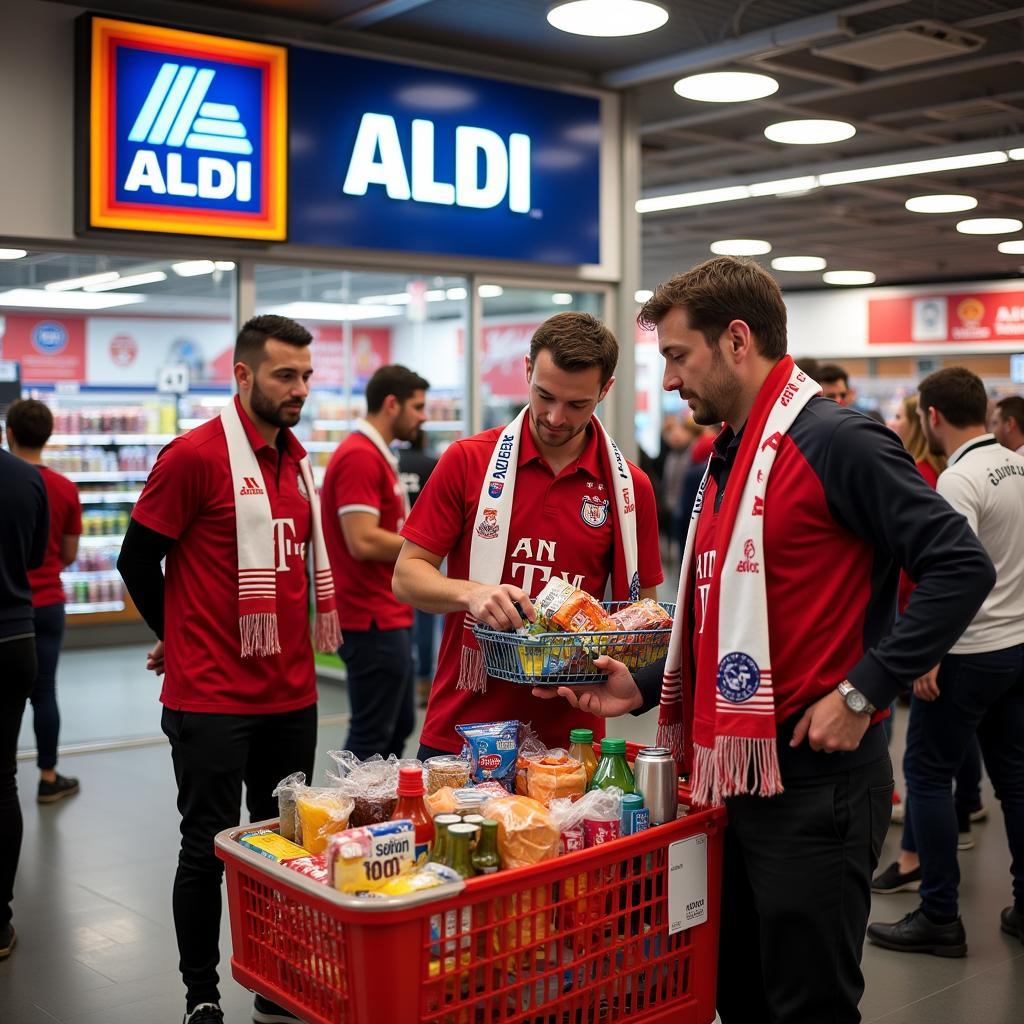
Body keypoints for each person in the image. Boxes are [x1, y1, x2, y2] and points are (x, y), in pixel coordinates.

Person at [535, 257, 994, 1023]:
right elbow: (719, 612)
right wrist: (643, 687)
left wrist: (864, 689)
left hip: (815, 789)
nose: (672, 380)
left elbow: (958, 564)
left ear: (737, 340)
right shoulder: (730, 455)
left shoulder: (837, 441)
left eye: (679, 356)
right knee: (738, 996)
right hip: (730, 779)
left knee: (806, 1006)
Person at [117, 314, 340, 1024]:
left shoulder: (299, 461)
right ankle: (202, 993)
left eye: (306, 375)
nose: (299, 388)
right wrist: (176, 635)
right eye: (284, 375)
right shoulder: (194, 457)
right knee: (206, 846)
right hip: (212, 695)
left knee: (279, 843)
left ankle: (274, 979)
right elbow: (135, 559)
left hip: (291, 693)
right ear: (242, 375)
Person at [393, 311, 663, 756]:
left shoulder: (630, 487)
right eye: (545, 396)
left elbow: (643, 611)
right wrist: (471, 594)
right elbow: (407, 575)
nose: (556, 417)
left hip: (572, 736)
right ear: (526, 370)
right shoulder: (467, 461)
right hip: (463, 729)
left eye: (578, 405)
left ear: (606, 390)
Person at [868, 367, 1024, 958]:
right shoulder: (1016, 465)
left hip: (967, 652)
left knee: (928, 776)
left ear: (932, 417)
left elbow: (948, 576)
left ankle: (938, 915)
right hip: (1015, 648)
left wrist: (925, 653)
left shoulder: (958, 479)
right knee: (1014, 779)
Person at [321, 364, 428, 759]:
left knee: (396, 726)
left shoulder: (376, 453)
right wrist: (426, 547)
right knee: (371, 735)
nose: (423, 416)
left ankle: (375, 811)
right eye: (417, 406)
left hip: (386, 614)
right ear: (391, 404)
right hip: (369, 618)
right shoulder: (359, 456)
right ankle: (353, 818)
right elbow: (362, 540)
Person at [6, 398, 83, 803]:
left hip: (7, 607)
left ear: (10, 433)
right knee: (44, 691)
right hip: (48, 602)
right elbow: (69, 554)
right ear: (49, 435)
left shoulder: (6, 481)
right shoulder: (65, 487)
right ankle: (49, 776)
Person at [0, 443, 48, 961]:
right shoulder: (24, 478)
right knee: (2, 779)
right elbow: (34, 557)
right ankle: (0, 921)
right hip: (15, 640)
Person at [398, 427, 440, 708]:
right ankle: (424, 681)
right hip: (426, 548)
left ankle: (404, 678)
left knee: (399, 617)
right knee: (425, 619)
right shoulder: (430, 464)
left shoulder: (394, 463)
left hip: (394, 550)